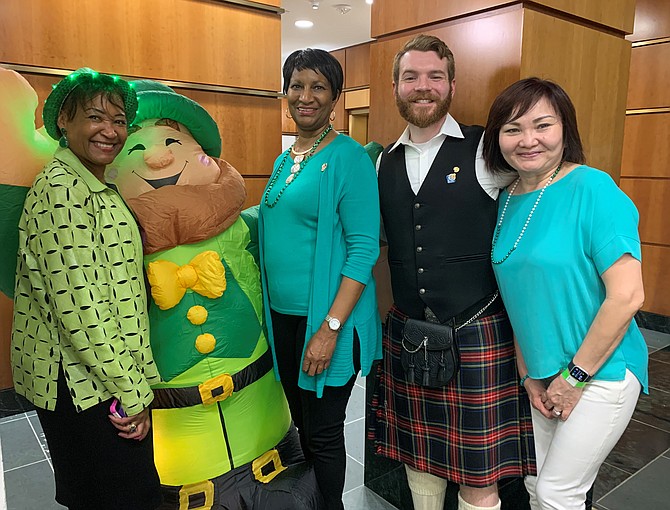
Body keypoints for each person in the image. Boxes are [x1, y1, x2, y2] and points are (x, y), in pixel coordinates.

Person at [373, 35, 535, 510]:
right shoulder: (385, 159)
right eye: (411, 77)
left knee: (478, 474)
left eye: (434, 76)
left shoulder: (488, 147)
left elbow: (540, 195)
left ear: (452, 85)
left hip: (477, 330)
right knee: (418, 459)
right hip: (408, 332)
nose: (423, 87)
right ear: (396, 86)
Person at [483, 77, 648, 509]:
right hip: (542, 373)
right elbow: (517, 298)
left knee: (558, 493)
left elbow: (628, 297)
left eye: (542, 125)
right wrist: (528, 375)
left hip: (601, 371)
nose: (528, 140)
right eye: (513, 129)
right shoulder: (505, 198)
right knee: (538, 486)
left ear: (565, 129)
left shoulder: (594, 189)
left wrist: (574, 378)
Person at [11, 68, 162, 510]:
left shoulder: (95, 184)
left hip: (102, 377)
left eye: (119, 121)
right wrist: (133, 391)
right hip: (82, 384)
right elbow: (82, 311)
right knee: (124, 497)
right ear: (64, 121)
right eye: (96, 118)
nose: (110, 131)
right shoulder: (61, 191)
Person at [259, 48, 382, 510]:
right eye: (297, 85)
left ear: (335, 97)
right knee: (302, 427)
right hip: (285, 320)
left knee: (325, 433)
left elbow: (364, 249)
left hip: (330, 322)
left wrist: (328, 330)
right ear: (286, 92)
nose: (305, 96)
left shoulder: (348, 158)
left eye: (318, 87)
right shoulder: (286, 157)